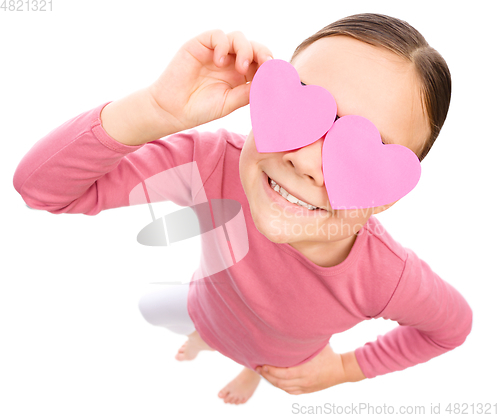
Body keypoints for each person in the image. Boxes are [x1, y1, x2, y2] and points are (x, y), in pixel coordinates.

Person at [13, 13, 472, 406]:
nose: (305, 161)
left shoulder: (387, 278)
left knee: (258, 360)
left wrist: (346, 369)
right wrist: (154, 110)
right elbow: (44, 190)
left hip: (281, 358)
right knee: (205, 327)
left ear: (391, 194)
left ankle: (251, 369)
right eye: (301, 108)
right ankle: (206, 338)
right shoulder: (212, 164)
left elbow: (451, 328)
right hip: (207, 306)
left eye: (365, 152)